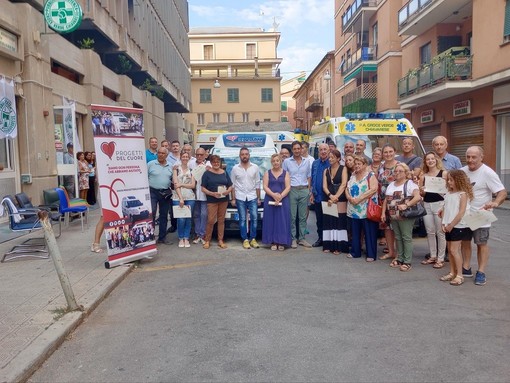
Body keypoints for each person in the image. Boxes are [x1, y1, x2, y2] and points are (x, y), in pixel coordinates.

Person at [461, 146, 507, 285]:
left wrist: (495, 202)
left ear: (481, 157)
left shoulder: (488, 172)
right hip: (464, 214)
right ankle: (466, 267)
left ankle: (481, 272)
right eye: (468, 157)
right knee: (465, 242)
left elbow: (502, 192)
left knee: (481, 244)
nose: (470, 160)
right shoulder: (462, 171)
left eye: (474, 157)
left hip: (481, 215)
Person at [381, 163, 421, 271]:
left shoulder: (410, 184)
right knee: (398, 237)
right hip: (394, 216)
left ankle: (407, 261)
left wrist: (406, 205)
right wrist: (383, 213)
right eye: (395, 171)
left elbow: (418, 197)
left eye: (400, 171)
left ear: (406, 173)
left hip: (405, 216)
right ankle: (400, 258)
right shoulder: (391, 184)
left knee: (406, 237)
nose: (397, 173)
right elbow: (386, 200)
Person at [439, 170, 474, 286]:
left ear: (459, 181)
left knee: (454, 250)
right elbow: (445, 209)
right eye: (448, 180)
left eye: (451, 180)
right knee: (450, 250)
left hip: (458, 225)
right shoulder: (448, 194)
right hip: (448, 225)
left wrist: (451, 225)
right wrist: (443, 223)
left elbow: (461, 212)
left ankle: (460, 275)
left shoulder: (462, 194)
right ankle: (452, 272)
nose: (449, 182)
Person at [346, 156, 379, 260]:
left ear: (365, 165)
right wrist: (349, 198)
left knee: (369, 232)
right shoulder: (352, 175)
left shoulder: (370, 175)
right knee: (355, 232)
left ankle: (371, 254)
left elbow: (373, 189)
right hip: (354, 209)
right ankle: (355, 252)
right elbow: (347, 188)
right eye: (355, 164)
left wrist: (359, 199)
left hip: (366, 209)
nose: (357, 166)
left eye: (359, 163)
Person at [419, 152, 447, 268]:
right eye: (427, 159)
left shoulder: (444, 173)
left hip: (440, 204)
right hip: (427, 204)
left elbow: (448, 190)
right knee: (430, 231)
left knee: (440, 232)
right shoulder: (423, 176)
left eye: (432, 159)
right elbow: (422, 193)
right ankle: (433, 256)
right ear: (425, 162)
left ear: (436, 160)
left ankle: (441, 258)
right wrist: (422, 190)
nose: (430, 161)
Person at [282, 141, 312, 248]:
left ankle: (302, 239)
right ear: (292, 150)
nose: (297, 150)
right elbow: (284, 176)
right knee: (292, 216)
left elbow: (309, 176)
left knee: (303, 216)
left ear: (302, 149)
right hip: (292, 190)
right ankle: (293, 239)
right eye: (294, 149)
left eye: (299, 148)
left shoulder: (307, 161)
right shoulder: (286, 162)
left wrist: (308, 190)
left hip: (304, 190)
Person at [231, 147, 261, 249]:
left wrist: (258, 198)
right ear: (240, 156)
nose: (244, 156)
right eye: (242, 154)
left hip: (252, 196)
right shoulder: (235, 168)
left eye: (246, 154)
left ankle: (253, 239)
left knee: (254, 218)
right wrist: (233, 198)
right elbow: (233, 185)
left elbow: (257, 183)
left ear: (249, 155)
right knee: (242, 219)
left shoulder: (255, 167)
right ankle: (245, 239)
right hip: (240, 197)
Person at [201, 155, 233, 249]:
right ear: (211, 163)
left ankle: (220, 240)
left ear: (220, 163)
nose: (216, 163)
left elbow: (230, 185)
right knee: (210, 220)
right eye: (214, 162)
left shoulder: (224, 173)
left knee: (221, 220)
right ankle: (207, 240)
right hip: (212, 200)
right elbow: (203, 188)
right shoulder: (207, 174)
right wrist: (212, 193)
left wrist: (228, 191)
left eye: (217, 162)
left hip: (223, 200)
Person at [322, 149, 349, 255]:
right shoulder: (326, 170)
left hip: (340, 199)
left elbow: (343, 184)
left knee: (339, 222)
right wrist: (330, 196)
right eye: (329, 157)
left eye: (333, 157)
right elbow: (324, 186)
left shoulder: (343, 169)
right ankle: (328, 245)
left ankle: (339, 246)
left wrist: (336, 196)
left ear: (338, 158)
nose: (330, 159)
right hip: (328, 198)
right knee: (329, 221)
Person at [262, 153, 292, 250]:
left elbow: (288, 187)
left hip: (283, 200)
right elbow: (265, 187)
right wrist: (274, 195)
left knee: (282, 221)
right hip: (270, 199)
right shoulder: (267, 173)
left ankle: (282, 242)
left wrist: (280, 196)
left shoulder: (286, 173)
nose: (276, 162)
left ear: (281, 161)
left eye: (277, 160)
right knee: (271, 221)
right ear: (271, 162)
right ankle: (273, 242)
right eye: (274, 161)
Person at [148, 147, 173, 245]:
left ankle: (162, 237)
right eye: (159, 153)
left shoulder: (171, 166)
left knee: (164, 215)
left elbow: (173, 179)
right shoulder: (150, 164)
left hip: (165, 193)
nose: (161, 154)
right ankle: (150, 237)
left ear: (166, 155)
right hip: (152, 192)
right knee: (152, 213)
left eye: (163, 153)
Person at [378, 144, 399, 260]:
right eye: (385, 152)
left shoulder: (399, 166)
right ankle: (390, 251)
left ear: (395, 152)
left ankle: (398, 253)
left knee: (397, 227)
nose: (388, 154)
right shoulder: (381, 167)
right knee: (387, 227)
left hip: (396, 201)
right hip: (383, 202)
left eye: (390, 151)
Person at [172, 151, 196, 248]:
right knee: (181, 219)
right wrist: (181, 198)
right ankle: (180, 238)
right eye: (183, 156)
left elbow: (193, 185)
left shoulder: (192, 170)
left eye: (187, 156)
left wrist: (182, 184)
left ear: (189, 158)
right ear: (180, 158)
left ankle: (186, 238)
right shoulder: (176, 169)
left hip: (190, 197)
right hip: (177, 197)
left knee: (188, 218)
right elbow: (175, 184)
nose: (185, 158)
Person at [310, 143, 330, 247]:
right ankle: (320, 238)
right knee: (319, 220)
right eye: (321, 149)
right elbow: (313, 179)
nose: (323, 151)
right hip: (317, 197)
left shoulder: (331, 163)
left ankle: (328, 240)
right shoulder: (315, 163)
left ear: (328, 150)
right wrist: (312, 193)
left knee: (329, 220)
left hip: (328, 197)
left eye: (325, 149)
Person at [192, 147, 210, 244]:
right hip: (194, 195)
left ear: (205, 155)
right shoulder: (191, 164)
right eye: (197, 154)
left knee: (204, 215)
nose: (199, 156)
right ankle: (197, 234)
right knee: (196, 215)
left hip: (204, 195)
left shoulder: (208, 165)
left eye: (201, 155)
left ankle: (203, 234)